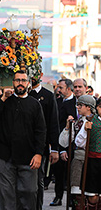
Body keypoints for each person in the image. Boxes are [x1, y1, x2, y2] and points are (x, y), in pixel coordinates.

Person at [0, 70, 46, 210]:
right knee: (6, 195)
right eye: (17, 80)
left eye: (23, 80)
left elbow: (41, 131)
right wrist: (3, 98)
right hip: (5, 156)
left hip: (29, 156)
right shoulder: (3, 101)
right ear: (12, 82)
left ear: (28, 84)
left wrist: (38, 154)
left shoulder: (34, 104)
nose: (20, 83)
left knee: (29, 192)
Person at [59, 95, 96, 209]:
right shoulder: (78, 122)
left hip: (92, 161)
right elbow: (64, 143)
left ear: (88, 107)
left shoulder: (95, 122)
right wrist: (67, 127)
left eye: (80, 105)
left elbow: (80, 142)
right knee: (76, 192)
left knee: (92, 194)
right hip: (78, 160)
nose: (77, 107)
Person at [29, 73, 60, 210]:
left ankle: (37, 206)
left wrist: (54, 148)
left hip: (40, 145)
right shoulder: (20, 94)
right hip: (21, 145)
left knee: (38, 180)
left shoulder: (47, 95)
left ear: (40, 75)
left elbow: (53, 122)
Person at [50, 78, 74, 206]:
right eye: (58, 87)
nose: (58, 90)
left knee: (71, 174)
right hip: (57, 143)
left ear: (69, 89)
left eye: (61, 88)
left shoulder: (76, 103)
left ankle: (72, 198)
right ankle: (58, 197)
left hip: (72, 145)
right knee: (58, 173)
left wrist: (67, 148)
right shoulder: (56, 102)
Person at [75, 98, 101, 209]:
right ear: (98, 107)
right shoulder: (90, 120)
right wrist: (86, 130)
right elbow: (78, 142)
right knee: (92, 195)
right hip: (93, 161)